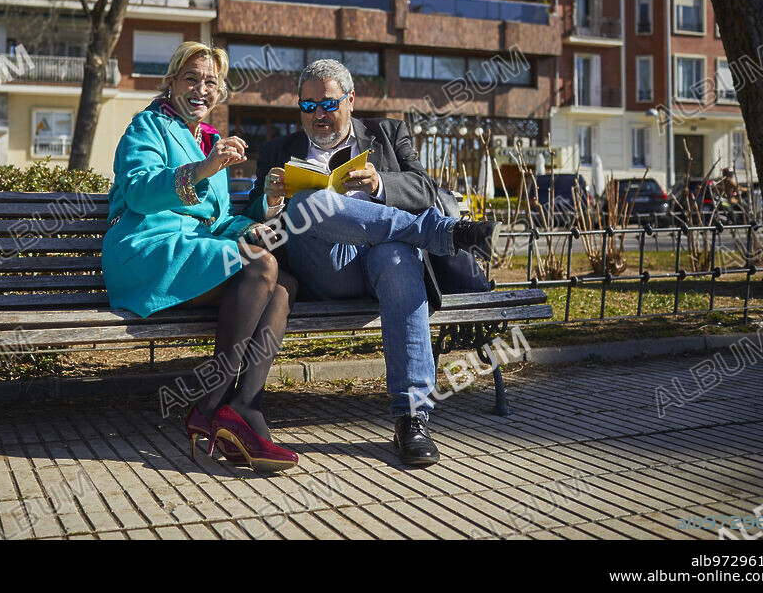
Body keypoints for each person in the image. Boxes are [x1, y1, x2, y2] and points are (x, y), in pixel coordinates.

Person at [244, 59, 501, 466]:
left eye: (328, 104)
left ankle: (412, 417)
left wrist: (381, 184)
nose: (318, 115)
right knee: (309, 203)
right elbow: (258, 220)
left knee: (397, 255)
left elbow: (423, 187)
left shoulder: (387, 132)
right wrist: (273, 201)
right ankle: (444, 233)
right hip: (327, 268)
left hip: (384, 260)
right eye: (307, 106)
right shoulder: (279, 150)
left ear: (350, 100)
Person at [101, 41, 299, 473]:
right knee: (261, 265)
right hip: (148, 251)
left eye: (211, 81)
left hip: (193, 252)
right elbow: (137, 191)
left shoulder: (207, 138)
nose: (201, 89)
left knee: (284, 285)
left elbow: (217, 220)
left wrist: (263, 210)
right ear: (171, 82)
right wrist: (203, 169)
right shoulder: (147, 126)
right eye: (191, 78)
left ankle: (244, 406)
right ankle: (212, 404)